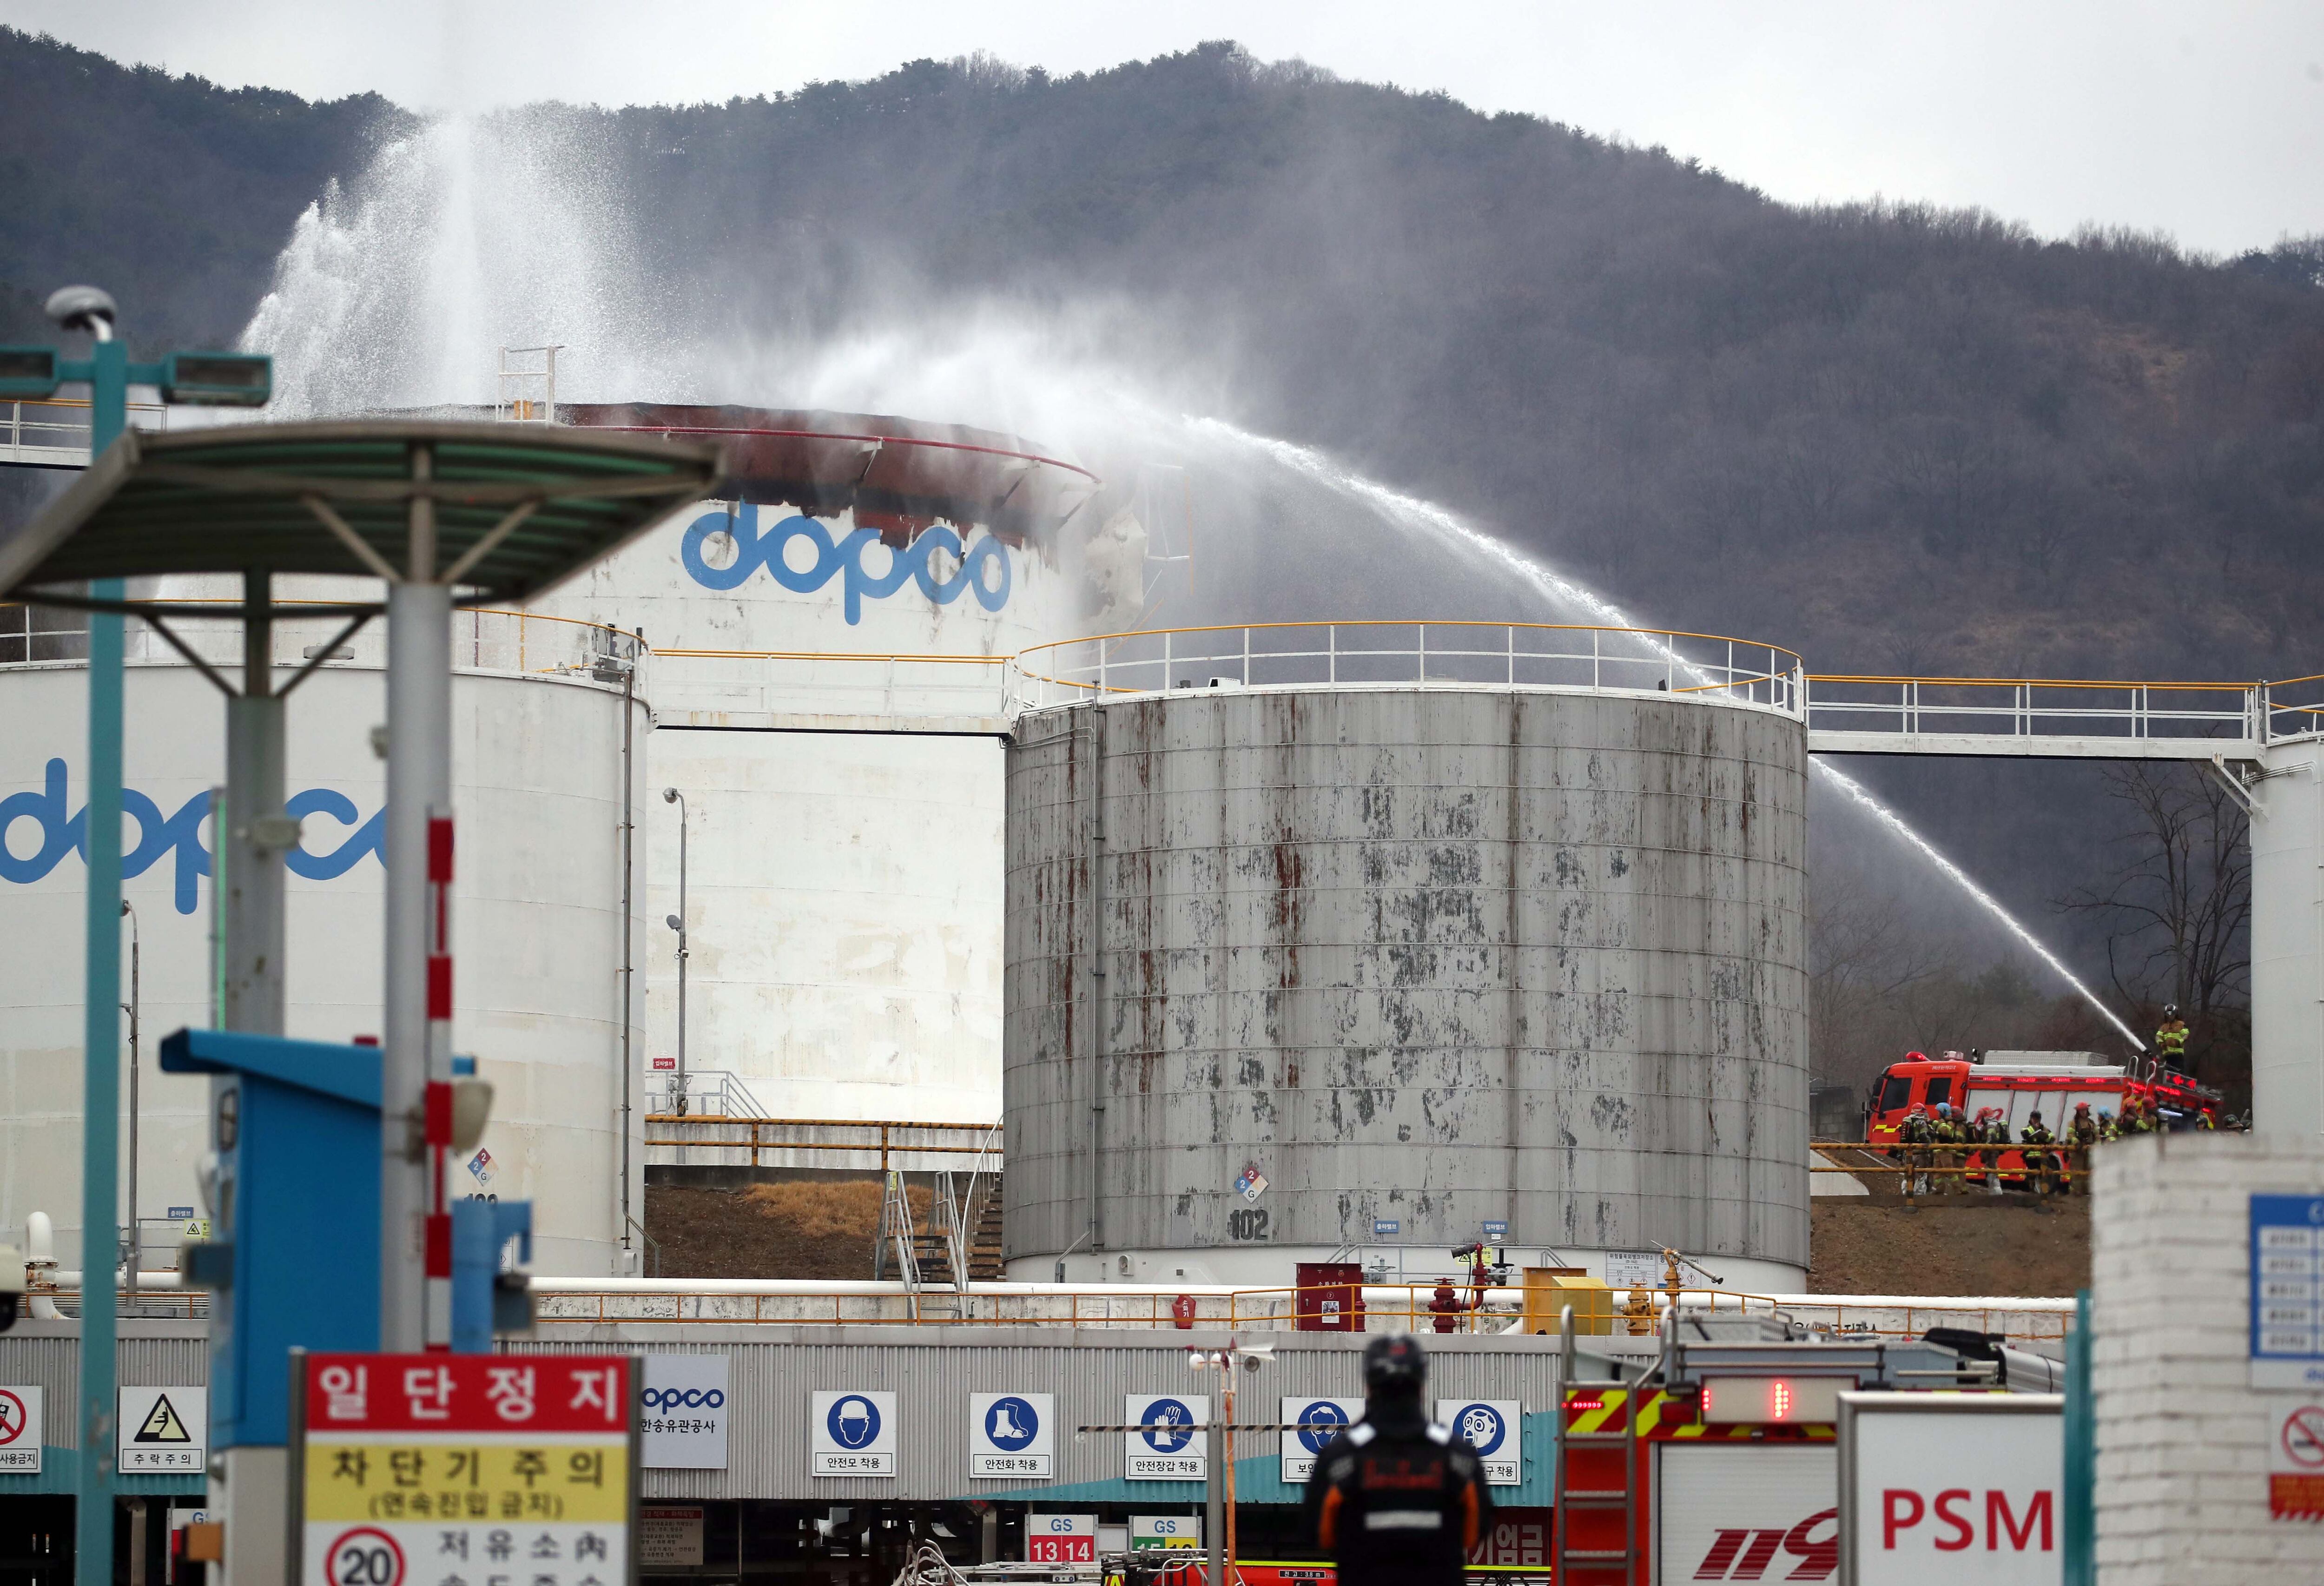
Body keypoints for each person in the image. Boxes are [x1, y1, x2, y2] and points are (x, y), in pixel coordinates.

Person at [1305, 1335, 1493, 1586]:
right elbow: (1475, 1534)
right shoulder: (1459, 1456)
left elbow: (1319, 1535)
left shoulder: (1339, 1457)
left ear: (1369, 1385)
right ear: (1421, 1385)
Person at [1895, 1104, 1935, 1200]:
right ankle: (1919, 1198)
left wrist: (1901, 1153)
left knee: (1908, 1176)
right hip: (1921, 1154)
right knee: (1921, 1177)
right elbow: (1924, 1137)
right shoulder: (1921, 1123)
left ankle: (1906, 1195)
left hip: (1908, 1153)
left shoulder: (1907, 1121)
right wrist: (1931, 1145)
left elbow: (1903, 1139)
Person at [1971, 1106, 2008, 1196]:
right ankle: (1994, 1192)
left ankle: (1996, 1193)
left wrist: (1985, 1149)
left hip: (1991, 1151)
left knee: (1992, 1170)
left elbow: (1991, 1138)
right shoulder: (1992, 1123)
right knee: (1991, 1169)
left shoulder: (1991, 1124)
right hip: (1992, 1151)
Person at [2065, 1103, 2101, 1194]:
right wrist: (2077, 1143)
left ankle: (2087, 1192)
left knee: (2089, 1173)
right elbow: (2070, 1135)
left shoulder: (2091, 1123)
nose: (2084, 1112)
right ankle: (2076, 1192)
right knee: (2077, 1173)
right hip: (2078, 1152)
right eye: (2082, 1111)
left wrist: (2096, 1145)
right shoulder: (2073, 1123)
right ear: (2078, 1112)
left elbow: (2097, 1136)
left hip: (2089, 1151)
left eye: (2085, 1110)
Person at [2020, 1110, 2058, 1197]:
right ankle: (2032, 1191)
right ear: (2031, 1119)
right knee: (2031, 1174)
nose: (2035, 1120)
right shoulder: (2027, 1128)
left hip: (2042, 1156)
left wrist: (2045, 1137)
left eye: (2037, 1119)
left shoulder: (2044, 1129)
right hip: (2030, 1156)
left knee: (2044, 1174)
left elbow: (2052, 1138)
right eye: (2034, 1118)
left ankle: (2043, 1192)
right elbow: (2026, 1135)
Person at [2155, 1005, 2189, 1070]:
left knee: (2178, 1075)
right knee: (2167, 1076)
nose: (2170, 1016)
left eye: (2172, 1014)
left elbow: (2186, 1034)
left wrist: (2180, 1042)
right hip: (2167, 1056)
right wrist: (2161, 1043)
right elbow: (2158, 1037)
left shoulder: (2181, 1025)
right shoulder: (2163, 1027)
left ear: (2175, 1014)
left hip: (2178, 1056)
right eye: (2168, 1014)